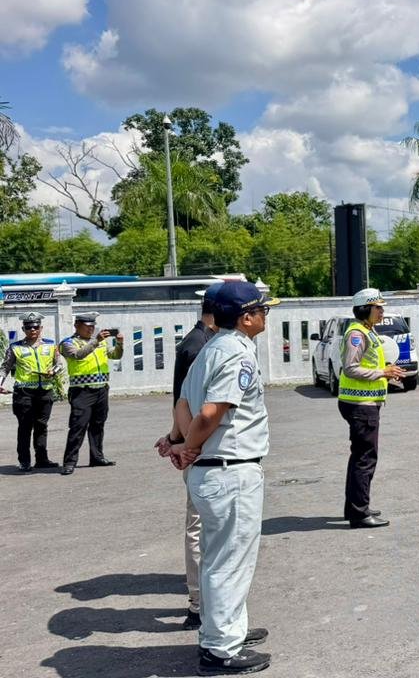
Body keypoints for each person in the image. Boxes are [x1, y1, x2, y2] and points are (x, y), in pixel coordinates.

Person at [173, 281, 277, 675]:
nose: (266, 315)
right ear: (246, 317)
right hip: (230, 468)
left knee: (220, 559)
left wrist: (180, 442)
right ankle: (220, 650)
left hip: (215, 470)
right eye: (262, 309)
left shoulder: (211, 348)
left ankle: (224, 631)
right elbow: (209, 413)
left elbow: (183, 404)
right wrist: (189, 447)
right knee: (230, 562)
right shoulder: (235, 353)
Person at [155, 286, 222, 630]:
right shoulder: (200, 346)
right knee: (200, 527)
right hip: (202, 448)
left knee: (206, 526)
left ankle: (208, 603)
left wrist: (175, 439)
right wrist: (184, 444)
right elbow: (188, 404)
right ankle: (199, 604)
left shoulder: (200, 341)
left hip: (196, 443)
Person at [338, 289, 405, 529]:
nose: (382, 312)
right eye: (378, 308)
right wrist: (382, 372)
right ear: (365, 309)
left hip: (365, 403)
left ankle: (356, 507)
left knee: (360, 457)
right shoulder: (357, 334)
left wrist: (387, 371)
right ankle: (359, 513)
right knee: (365, 459)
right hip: (360, 404)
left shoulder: (368, 330)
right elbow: (350, 368)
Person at [59, 312, 124, 475]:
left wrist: (120, 344)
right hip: (82, 391)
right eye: (87, 327)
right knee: (78, 426)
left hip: (101, 388)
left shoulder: (100, 342)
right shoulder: (68, 343)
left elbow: (115, 355)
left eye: (92, 327)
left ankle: (97, 457)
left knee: (98, 425)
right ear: (77, 326)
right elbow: (77, 355)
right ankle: (69, 462)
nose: (90, 330)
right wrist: (96, 341)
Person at [0, 312, 64, 471]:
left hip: (45, 392)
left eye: (35, 327)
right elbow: (5, 368)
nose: (32, 330)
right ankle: (24, 461)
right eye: (28, 327)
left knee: (42, 426)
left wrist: (53, 372)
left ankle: (42, 459)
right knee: (25, 427)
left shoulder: (50, 345)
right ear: (23, 329)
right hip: (24, 393)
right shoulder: (15, 347)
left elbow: (59, 364)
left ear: (41, 328)